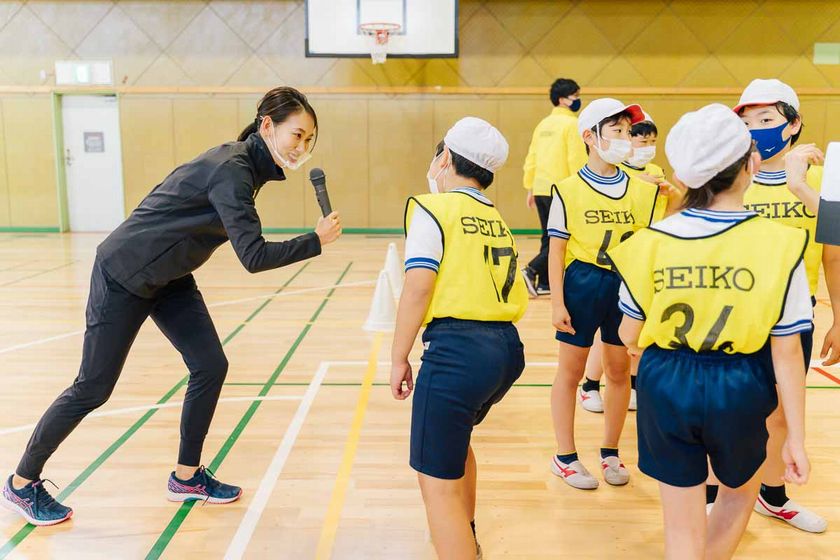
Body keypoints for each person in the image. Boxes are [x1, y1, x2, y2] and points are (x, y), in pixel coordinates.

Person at [1, 86, 342, 526]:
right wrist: (314, 241)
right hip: (124, 272)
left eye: (309, 140)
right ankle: (21, 483)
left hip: (169, 275)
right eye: (297, 135)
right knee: (92, 387)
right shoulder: (233, 170)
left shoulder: (244, 166)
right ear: (267, 126)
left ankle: (187, 477)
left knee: (210, 365)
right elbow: (253, 257)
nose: (302, 147)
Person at [609, 103, 810, 559]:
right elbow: (788, 354)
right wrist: (795, 436)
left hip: (665, 380)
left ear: (685, 177)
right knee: (738, 492)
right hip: (739, 383)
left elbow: (626, 332)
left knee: (680, 521)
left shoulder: (649, 241)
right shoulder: (781, 243)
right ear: (751, 164)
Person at [702, 77, 837, 533]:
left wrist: (839, 317)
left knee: (781, 412)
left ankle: (773, 496)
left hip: (794, 318)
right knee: (723, 408)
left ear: (793, 124)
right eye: (746, 121)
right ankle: (710, 494)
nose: (755, 128)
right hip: (733, 314)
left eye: (766, 119)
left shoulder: (823, 177)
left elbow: (835, 251)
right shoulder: (733, 177)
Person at [390, 117, 528, 560]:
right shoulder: (493, 216)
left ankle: (458, 546)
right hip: (506, 349)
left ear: (444, 157)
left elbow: (418, 286)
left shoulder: (433, 208)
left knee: (435, 481)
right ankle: (467, 538)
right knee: (457, 440)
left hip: (459, 352)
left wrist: (398, 357)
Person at [547, 99, 662, 490]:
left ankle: (611, 452)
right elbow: (557, 251)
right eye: (615, 129)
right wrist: (557, 301)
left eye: (627, 130)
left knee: (617, 370)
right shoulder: (566, 189)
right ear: (590, 137)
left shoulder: (643, 189)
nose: (624, 137)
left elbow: (651, 244)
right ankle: (564, 456)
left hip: (624, 284)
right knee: (571, 371)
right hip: (583, 282)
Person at [579, 110, 682, 413]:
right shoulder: (614, 170)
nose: (645, 145)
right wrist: (637, 182)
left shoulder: (657, 171)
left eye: (652, 140)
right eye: (635, 137)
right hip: (611, 264)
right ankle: (589, 383)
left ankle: (634, 384)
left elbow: (668, 212)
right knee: (610, 331)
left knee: (637, 331)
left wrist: (671, 195)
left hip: (648, 259)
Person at [521, 78, 587, 297]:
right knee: (561, 237)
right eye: (575, 96)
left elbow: (532, 157)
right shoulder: (572, 125)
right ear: (563, 99)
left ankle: (545, 283)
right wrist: (582, 187)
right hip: (560, 189)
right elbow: (576, 159)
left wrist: (530, 186)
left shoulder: (543, 125)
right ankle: (530, 270)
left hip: (541, 188)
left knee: (548, 237)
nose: (579, 100)